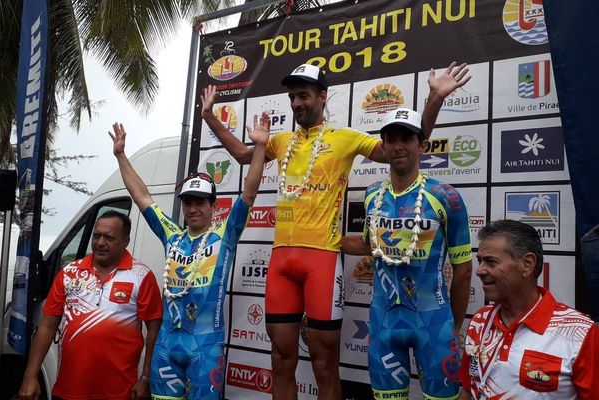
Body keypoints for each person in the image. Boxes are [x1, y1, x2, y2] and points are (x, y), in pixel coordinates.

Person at [201, 62, 470, 400]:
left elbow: (399, 150)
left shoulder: (345, 138)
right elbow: (243, 155)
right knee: (281, 358)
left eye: (304, 95)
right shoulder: (281, 141)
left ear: (322, 96)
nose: (297, 103)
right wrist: (210, 117)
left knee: (325, 362)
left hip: (323, 261)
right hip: (281, 261)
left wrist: (434, 101)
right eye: (293, 97)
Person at [110, 115, 269, 400]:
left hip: (205, 347)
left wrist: (259, 149)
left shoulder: (225, 235)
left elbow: (249, 192)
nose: (192, 209)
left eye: (199, 203)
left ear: (212, 206)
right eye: (187, 203)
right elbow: (142, 197)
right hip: (167, 346)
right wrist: (121, 155)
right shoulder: (172, 235)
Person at [341, 107, 472, 399]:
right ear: (383, 147)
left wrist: (455, 326)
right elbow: (370, 245)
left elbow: (463, 270)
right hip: (382, 322)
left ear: (422, 145)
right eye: (390, 139)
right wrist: (325, 242)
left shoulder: (446, 196)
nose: (397, 145)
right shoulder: (373, 193)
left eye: (406, 138)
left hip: (434, 323)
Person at [19, 211, 163, 400]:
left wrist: (146, 377)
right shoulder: (70, 273)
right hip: (68, 390)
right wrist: (30, 376)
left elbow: (155, 329)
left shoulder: (141, 275)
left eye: (109, 237)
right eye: (96, 236)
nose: (100, 242)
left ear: (125, 241)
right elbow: (47, 326)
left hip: (119, 392)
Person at [459, 220, 599, 399]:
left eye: (491, 262)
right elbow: (467, 390)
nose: (479, 270)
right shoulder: (481, 319)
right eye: (479, 261)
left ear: (527, 264)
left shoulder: (581, 332)